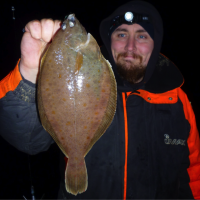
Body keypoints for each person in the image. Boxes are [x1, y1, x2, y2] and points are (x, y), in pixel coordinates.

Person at [0, 1, 200, 200]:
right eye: (122, 34)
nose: (130, 46)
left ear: (155, 43)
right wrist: (30, 77)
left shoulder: (178, 103)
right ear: (109, 38)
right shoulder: (81, 58)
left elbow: (194, 175)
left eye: (141, 36)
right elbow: (27, 139)